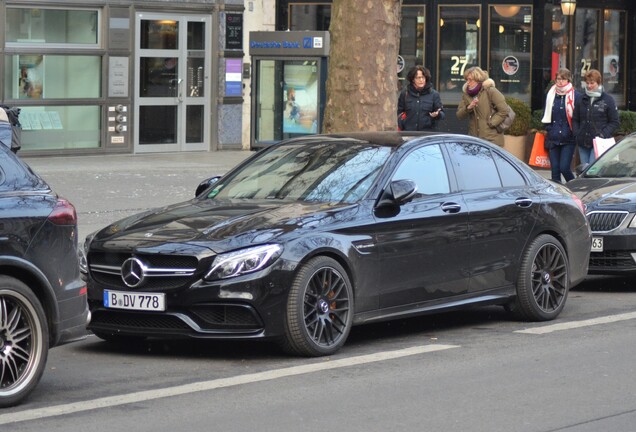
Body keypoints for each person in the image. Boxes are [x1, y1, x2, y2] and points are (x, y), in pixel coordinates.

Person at [573, 69, 620, 165]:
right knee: (584, 171)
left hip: (599, 143)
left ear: (598, 82)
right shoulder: (581, 99)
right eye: (587, 83)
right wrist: (577, 133)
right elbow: (575, 119)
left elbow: (615, 122)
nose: (589, 86)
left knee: (591, 170)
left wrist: (603, 135)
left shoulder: (608, 99)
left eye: (592, 83)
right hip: (583, 141)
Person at [542, 68, 580, 183]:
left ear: (568, 80)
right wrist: (549, 129)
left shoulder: (576, 95)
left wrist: (574, 131)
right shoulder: (551, 95)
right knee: (555, 171)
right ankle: (557, 196)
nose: (560, 82)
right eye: (558, 79)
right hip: (553, 138)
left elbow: (578, 116)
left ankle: (575, 188)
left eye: (563, 79)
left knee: (564, 168)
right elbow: (546, 114)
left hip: (568, 138)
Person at [456, 66, 510, 147]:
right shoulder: (466, 95)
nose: (468, 82)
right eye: (467, 79)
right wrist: (468, 108)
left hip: (492, 140)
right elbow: (459, 115)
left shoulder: (490, 91)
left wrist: (492, 123)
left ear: (478, 80)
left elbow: (504, 110)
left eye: (470, 80)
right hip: (474, 140)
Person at [397, 66, 444, 131]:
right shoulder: (405, 93)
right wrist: (402, 123)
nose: (421, 80)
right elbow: (399, 113)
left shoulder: (434, 94)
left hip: (427, 134)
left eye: (423, 77)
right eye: (418, 78)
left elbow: (442, 114)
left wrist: (437, 114)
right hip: (408, 133)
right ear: (413, 79)